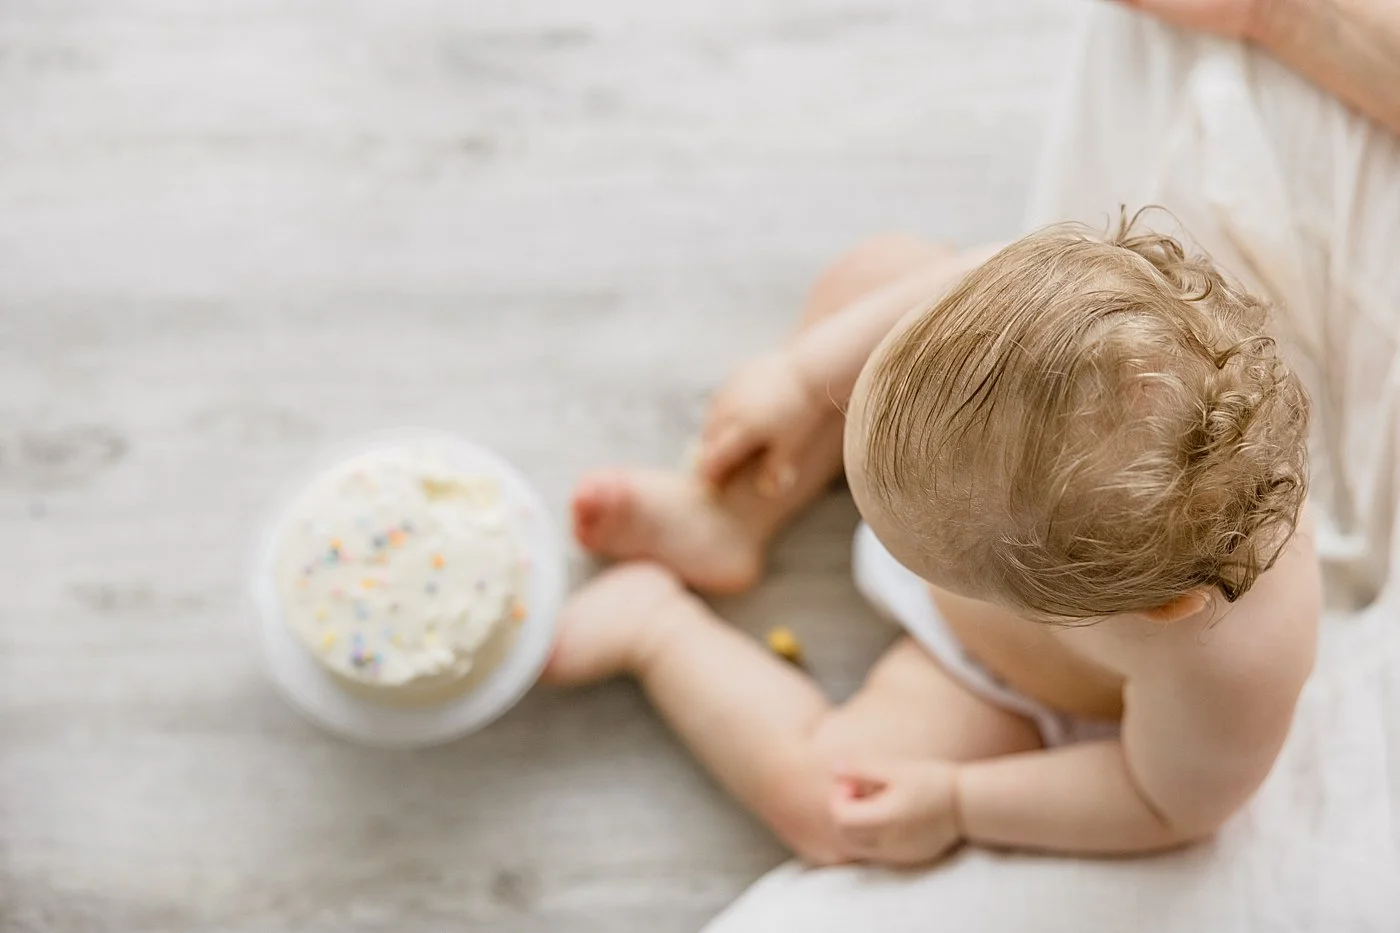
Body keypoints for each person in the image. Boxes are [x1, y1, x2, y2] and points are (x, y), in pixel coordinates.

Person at [545, 0, 1398, 867]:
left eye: (920, 556)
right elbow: (963, 272)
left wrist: (958, 801)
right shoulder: (1061, 306)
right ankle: (730, 515)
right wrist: (800, 379)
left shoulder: (1229, 663)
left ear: (1158, 606)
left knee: (830, 803)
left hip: (999, 673)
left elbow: (1162, 802)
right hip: (979, 489)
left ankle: (656, 627)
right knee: (880, 269)